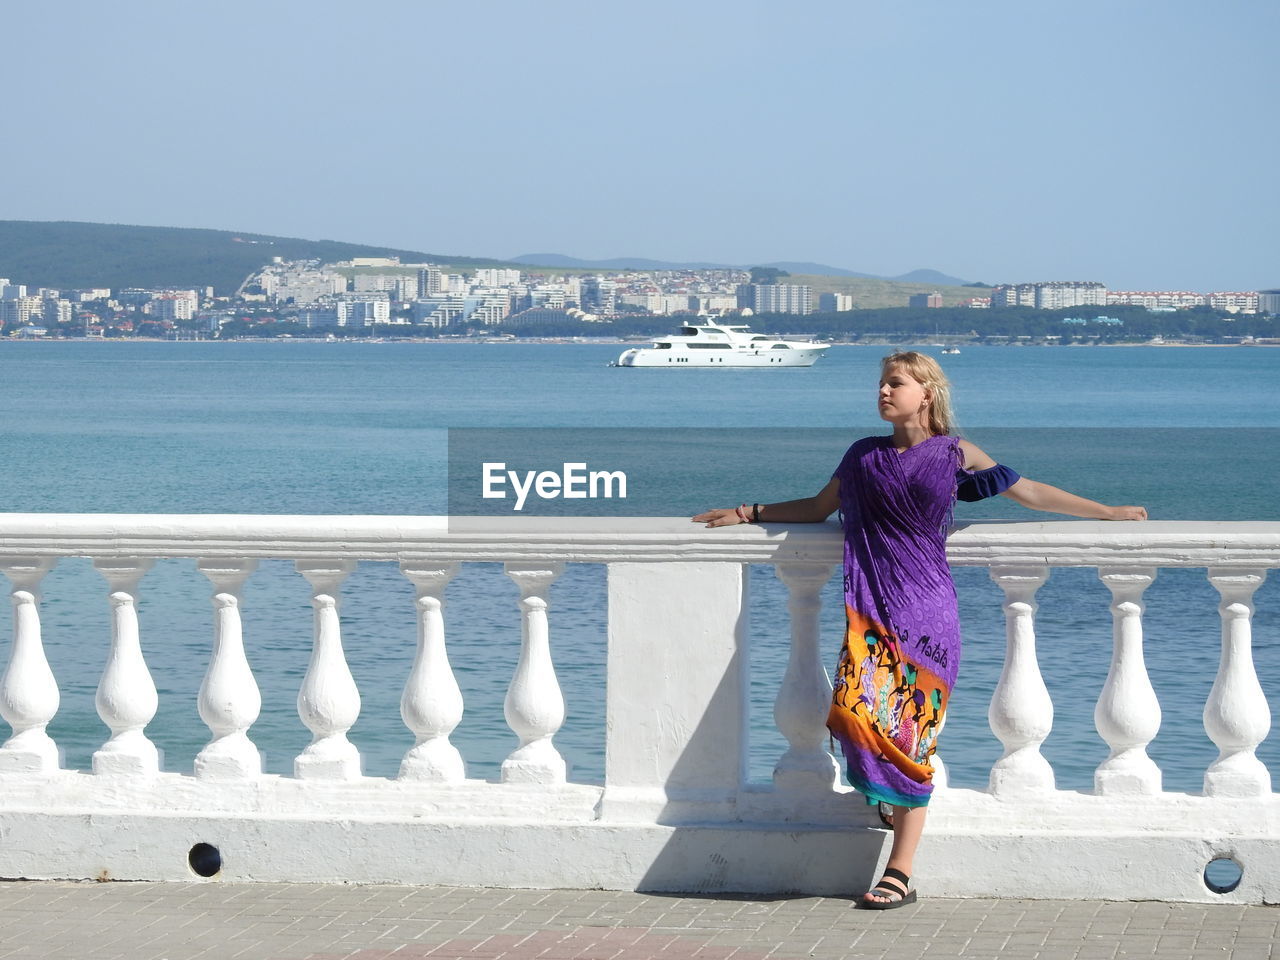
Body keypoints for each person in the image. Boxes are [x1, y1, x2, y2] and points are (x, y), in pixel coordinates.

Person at [692, 351, 1146, 909]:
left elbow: (1027, 491)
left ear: (926, 392)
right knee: (852, 714)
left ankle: (899, 871)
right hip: (872, 610)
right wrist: (748, 511)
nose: (883, 392)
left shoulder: (955, 453)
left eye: (895, 384)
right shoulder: (862, 455)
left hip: (927, 613)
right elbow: (816, 509)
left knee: (912, 737)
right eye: (881, 384)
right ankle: (888, 801)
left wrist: (1108, 512)